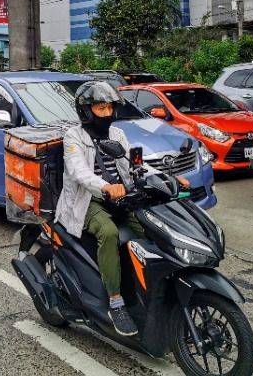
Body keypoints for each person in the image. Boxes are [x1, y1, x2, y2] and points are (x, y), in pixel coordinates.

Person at [55, 81, 189, 336]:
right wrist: (106, 186)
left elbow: (135, 164)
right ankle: (115, 302)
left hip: (122, 197)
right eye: (100, 108)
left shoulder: (117, 135)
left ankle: (149, 285)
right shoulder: (74, 137)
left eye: (109, 108)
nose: (106, 113)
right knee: (109, 233)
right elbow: (78, 171)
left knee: (153, 229)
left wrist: (168, 177)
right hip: (88, 199)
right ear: (86, 110)